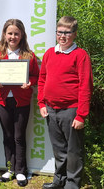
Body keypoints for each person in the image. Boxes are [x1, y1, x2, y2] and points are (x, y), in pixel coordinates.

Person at [38, 16, 93, 189]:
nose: (62, 36)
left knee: (73, 151)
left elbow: (86, 86)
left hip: (71, 110)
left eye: (67, 33)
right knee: (59, 149)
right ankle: (59, 180)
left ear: (74, 34)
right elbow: (42, 79)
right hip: (51, 109)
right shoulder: (49, 53)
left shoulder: (80, 55)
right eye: (59, 32)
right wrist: (41, 103)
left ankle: (72, 183)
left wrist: (81, 115)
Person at [0, 19, 40, 187]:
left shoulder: (29, 55)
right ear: (4, 35)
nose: (13, 36)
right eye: (10, 33)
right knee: (8, 136)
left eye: (16, 33)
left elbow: (36, 76)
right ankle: (9, 169)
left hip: (22, 101)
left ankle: (20, 171)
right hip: (3, 100)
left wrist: (30, 82)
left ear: (22, 35)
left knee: (19, 137)